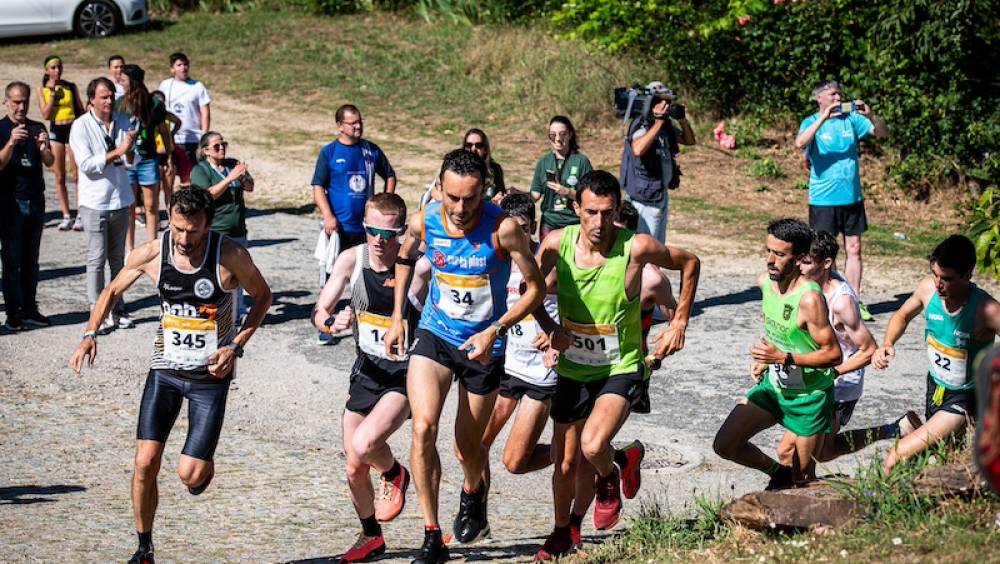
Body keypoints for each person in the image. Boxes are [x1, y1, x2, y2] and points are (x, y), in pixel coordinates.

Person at [69, 187, 271, 564]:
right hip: (164, 369)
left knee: (190, 475)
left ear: (208, 226)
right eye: (177, 229)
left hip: (209, 376)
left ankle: (202, 467)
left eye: (192, 232)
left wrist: (236, 346)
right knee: (145, 462)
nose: (183, 239)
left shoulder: (230, 256)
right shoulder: (152, 253)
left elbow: (263, 297)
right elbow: (112, 289)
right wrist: (89, 334)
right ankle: (144, 547)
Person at [383, 149, 543, 563]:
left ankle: (474, 488)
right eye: (451, 197)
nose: (458, 208)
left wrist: (496, 330)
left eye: (469, 199)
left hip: (484, 344)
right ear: (439, 188)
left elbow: (536, 288)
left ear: (484, 193)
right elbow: (404, 257)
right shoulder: (425, 220)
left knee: (467, 449)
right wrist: (399, 315)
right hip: (436, 333)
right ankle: (432, 534)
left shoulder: (503, 230)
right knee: (422, 428)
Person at [531, 170, 701, 560]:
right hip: (573, 367)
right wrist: (549, 327)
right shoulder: (557, 243)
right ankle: (564, 530)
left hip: (619, 367)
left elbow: (690, 262)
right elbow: (531, 289)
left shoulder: (635, 247)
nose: (599, 222)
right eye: (591, 212)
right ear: (576, 208)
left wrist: (679, 322)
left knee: (592, 445)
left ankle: (609, 473)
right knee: (565, 460)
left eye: (608, 213)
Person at [310, 193, 416, 562]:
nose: (379, 240)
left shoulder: (415, 267)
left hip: (404, 375)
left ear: (400, 232)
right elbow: (320, 309)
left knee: (365, 445)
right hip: (366, 371)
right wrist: (330, 322)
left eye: (388, 233)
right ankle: (371, 536)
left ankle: (395, 473)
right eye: (372, 230)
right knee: (354, 466)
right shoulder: (352, 260)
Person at [713, 218, 842, 491]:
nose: (770, 260)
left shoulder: (810, 299)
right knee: (725, 444)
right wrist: (764, 358)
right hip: (775, 388)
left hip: (809, 397)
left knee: (803, 479)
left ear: (799, 258)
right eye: (768, 251)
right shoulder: (764, 283)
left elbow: (833, 355)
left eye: (780, 254)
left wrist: (784, 358)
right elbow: (781, 333)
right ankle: (776, 472)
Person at [872, 235, 1000, 473]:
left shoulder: (986, 309)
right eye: (935, 274)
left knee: (896, 457)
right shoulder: (927, 289)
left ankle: (879, 507)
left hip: (965, 399)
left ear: (968, 273)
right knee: (948, 463)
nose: (939, 283)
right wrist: (887, 342)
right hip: (936, 388)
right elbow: (901, 316)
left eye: (948, 279)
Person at [773, 230, 889, 464]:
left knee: (790, 453)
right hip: (817, 378)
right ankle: (894, 430)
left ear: (826, 263)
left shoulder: (841, 301)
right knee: (818, 454)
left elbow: (869, 350)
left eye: (806, 262)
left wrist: (832, 372)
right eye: (798, 260)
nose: (800, 267)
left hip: (840, 385)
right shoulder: (805, 287)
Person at [795, 79, 889, 321]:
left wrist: (872, 115)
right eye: (833, 94)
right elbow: (800, 143)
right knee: (824, 252)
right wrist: (823, 118)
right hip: (823, 199)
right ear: (820, 98)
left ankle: (854, 300)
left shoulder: (852, 120)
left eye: (839, 94)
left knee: (854, 248)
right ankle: (828, 298)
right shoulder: (811, 122)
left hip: (852, 197)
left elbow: (882, 133)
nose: (838, 98)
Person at [311, 104, 396, 342]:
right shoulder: (329, 152)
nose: (358, 126)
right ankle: (325, 323)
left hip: (368, 229)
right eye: (353, 123)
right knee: (332, 274)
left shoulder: (370, 151)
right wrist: (328, 215)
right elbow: (318, 187)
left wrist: (385, 204)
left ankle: (366, 320)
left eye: (360, 121)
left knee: (369, 275)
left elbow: (390, 175)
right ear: (340, 126)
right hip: (339, 228)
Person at [69, 77, 138, 333]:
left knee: (118, 260)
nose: (109, 101)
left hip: (120, 199)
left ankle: (118, 308)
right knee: (96, 259)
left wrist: (129, 150)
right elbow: (86, 165)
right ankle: (97, 311)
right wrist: (119, 151)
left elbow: (134, 160)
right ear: (91, 100)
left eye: (111, 96)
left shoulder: (122, 122)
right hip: (95, 202)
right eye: (104, 97)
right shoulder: (81, 126)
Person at [1, 81, 54, 330]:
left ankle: (30, 308)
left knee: (31, 260)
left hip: (36, 200)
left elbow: (51, 161)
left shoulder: (36, 127)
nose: (21, 106)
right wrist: (11, 142)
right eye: (16, 102)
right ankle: (14, 313)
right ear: (6, 102)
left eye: (25, 102)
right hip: (11, 202)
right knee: (12, 260)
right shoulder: (1, 129)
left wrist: (44, 148)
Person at [620, 82, 695, 243]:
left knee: (657, 246)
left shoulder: (665, 126)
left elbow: (689, 140)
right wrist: (658, 123)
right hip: (643, 199)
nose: (665, 106)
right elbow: (638, 149)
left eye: (668, 102)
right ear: (650, 103)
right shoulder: (642, 124)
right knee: (647, 247)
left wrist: (682, 120)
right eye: (660, 101)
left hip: (659, 194)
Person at [190, 131, 254, 319]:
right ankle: (209, 309)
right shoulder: (200, 170)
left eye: (223, 144)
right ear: (206, 151)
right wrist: (230, 179)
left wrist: (242, 177)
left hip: (237, 228)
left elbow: (250, 187)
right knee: (212, 272)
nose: (222, 148)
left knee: (240, 271)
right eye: (216, 146)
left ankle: (237, 310)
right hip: (215, 230)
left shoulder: (232, 164)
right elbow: (206, 195)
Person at [120, 64, 171, 248]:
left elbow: (164, 131)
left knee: (150, 205)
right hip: (127, 159)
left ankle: (152, 247)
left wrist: (168, 155)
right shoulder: (120, 103)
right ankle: (130, 250)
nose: (120, 82)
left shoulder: (154, 103)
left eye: (124, 79)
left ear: (133, 81)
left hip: (148, 158)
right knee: (129, 206)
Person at [38, 55, 85, 231]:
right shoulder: (42, 89)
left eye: (59, 67)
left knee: (77, 174)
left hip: (72, 130)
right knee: (59, 175)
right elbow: (45, 115)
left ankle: (81, 213)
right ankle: (66, 214)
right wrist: (52, 95)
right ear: (47, 70)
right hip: (56, 131)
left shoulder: (70, 87)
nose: (57, 71)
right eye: (53, 68)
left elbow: (79, 109)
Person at [530, 116, 592, 241]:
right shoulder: (544, 162)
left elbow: (590, 196)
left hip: (573, 223)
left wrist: (568, 192)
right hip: (549, 222)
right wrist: (516, 195)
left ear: (570, 135)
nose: (558, 139)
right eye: (552, 135)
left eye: (563, 134)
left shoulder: (581, 161)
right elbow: (535, 195)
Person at [158, 52, 210, 175]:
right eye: (179, 65)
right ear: (172, 69)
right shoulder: (165, 85)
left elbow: (205, 112)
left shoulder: (197, 86)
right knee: (169, 173)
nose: (183, 68)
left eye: (185, 64)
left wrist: (204, 135)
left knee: (190, 175)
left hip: (192, 138)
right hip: (171, 138)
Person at [150, 90, 181, 221]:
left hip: (168, 155)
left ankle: (171, 218)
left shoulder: (166, 115)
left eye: (162, 102)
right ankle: (155, 218)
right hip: (155, 155)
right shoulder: (149, 117)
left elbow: (178, 121)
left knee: (169, 188)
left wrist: (172, 133)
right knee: (155, 190)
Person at [462, 128, 505, 201]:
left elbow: (500, 192)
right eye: (469, 145)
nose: (473, 149)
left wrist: (499, 196)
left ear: (485, 149)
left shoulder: (494, 169)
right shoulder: (456, 167)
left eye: (478, 145)